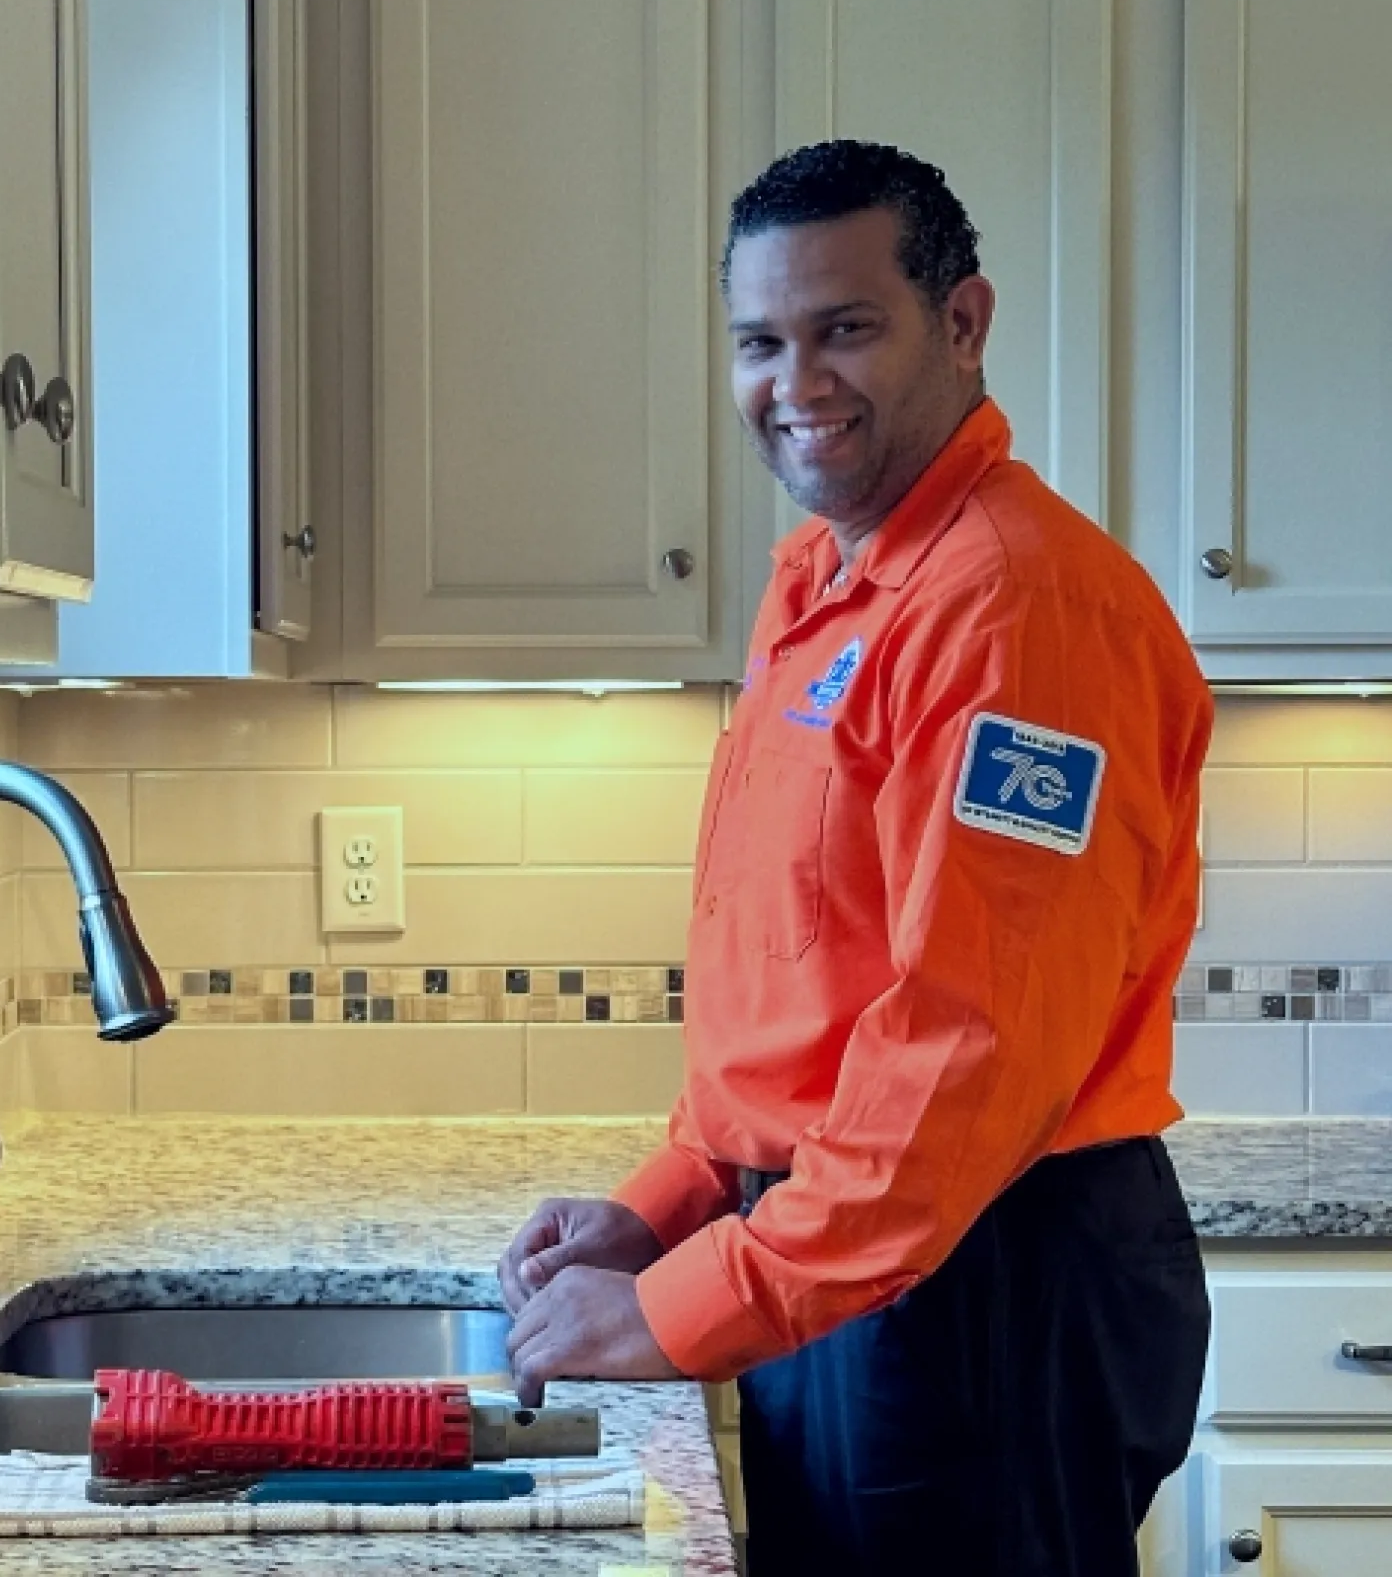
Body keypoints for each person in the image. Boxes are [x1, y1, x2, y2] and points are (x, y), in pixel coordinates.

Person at [498, 140, 1213, 1576]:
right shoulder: (826, 582)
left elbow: (971, 1044)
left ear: (963, 323)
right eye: (761, 342)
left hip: (983, 1282)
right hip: (858, 1257)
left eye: (847, 329)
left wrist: (685, 1307)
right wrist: (672, 1206)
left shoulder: (1016, 612)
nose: (797, 385)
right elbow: (813, 987)